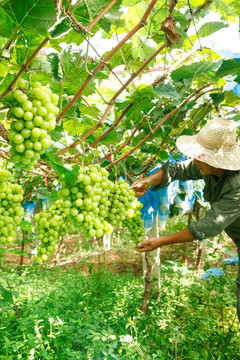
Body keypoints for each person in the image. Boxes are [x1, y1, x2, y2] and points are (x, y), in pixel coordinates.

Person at [131, 117, 240, 320]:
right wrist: (147, 181)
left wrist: (160, 242)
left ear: (218, 160)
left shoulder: (237, 186)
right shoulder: (206, 166)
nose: (195, 159)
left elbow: (207, 227)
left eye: (201, 156)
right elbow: (175, 170)